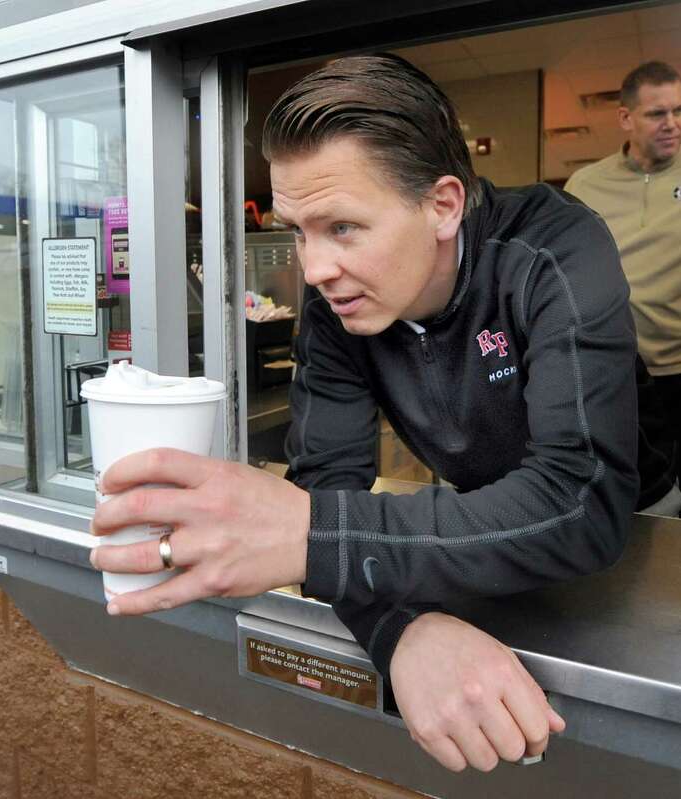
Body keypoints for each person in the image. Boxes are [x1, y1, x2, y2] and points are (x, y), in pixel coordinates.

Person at [89, 54, 642, 774]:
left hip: (636, 549)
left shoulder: (554, 250)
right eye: (299, 231)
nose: (314, 269)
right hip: (470, 533)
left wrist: (311, 535)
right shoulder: (332, 308)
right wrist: (399, 633)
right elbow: (329, 491)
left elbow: (583, 499)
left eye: (343, 227)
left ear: (444, 205)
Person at [564, 61, 681, 519]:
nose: (673, 124)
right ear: (626, 118)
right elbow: (568, 275)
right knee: (632, 495)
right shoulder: (586, 185)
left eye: (680, 110)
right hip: (621, 370)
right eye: (656, 113)